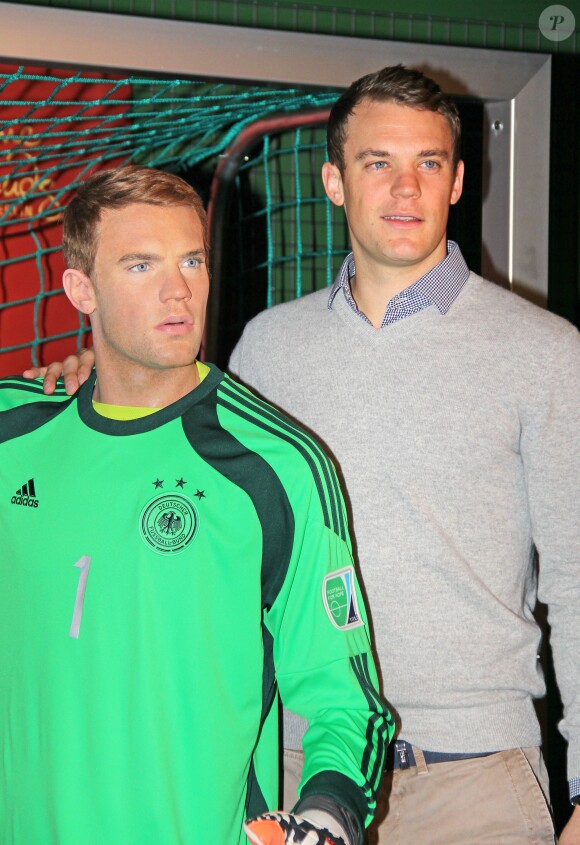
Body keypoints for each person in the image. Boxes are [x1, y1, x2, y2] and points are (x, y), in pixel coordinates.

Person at [27, 65, 580, 844]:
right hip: (293, 773)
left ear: (458, 182)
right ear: (332, 180)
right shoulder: (265, 346)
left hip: (470, 778)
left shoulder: (547, 354)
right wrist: (86, 381)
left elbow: (578, 577)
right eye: (376, 163)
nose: (404, 188)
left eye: (428, 163)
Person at [2, 166, 392, 845]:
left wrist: (328, 812)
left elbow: (345, 699)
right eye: (141, 264)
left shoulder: (277, 466)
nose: (178, 288)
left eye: (191, 260)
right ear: (80, 289)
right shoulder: (14, 432)